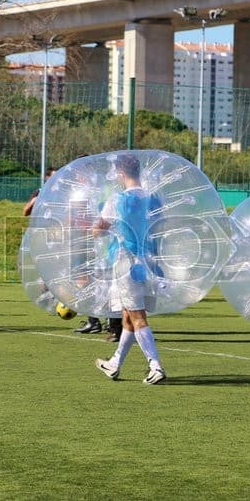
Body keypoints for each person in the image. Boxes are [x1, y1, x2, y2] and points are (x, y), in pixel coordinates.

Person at [92, 154, 166, 384]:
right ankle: (115, 363)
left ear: (121, 174)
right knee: (127, 315)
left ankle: (155, 367)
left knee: (137, 315)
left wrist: (96, 226)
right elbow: (160, 225)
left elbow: (98, 230)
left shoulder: (118, 199)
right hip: (147, 259)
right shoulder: (152, 198)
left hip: (126, 260)